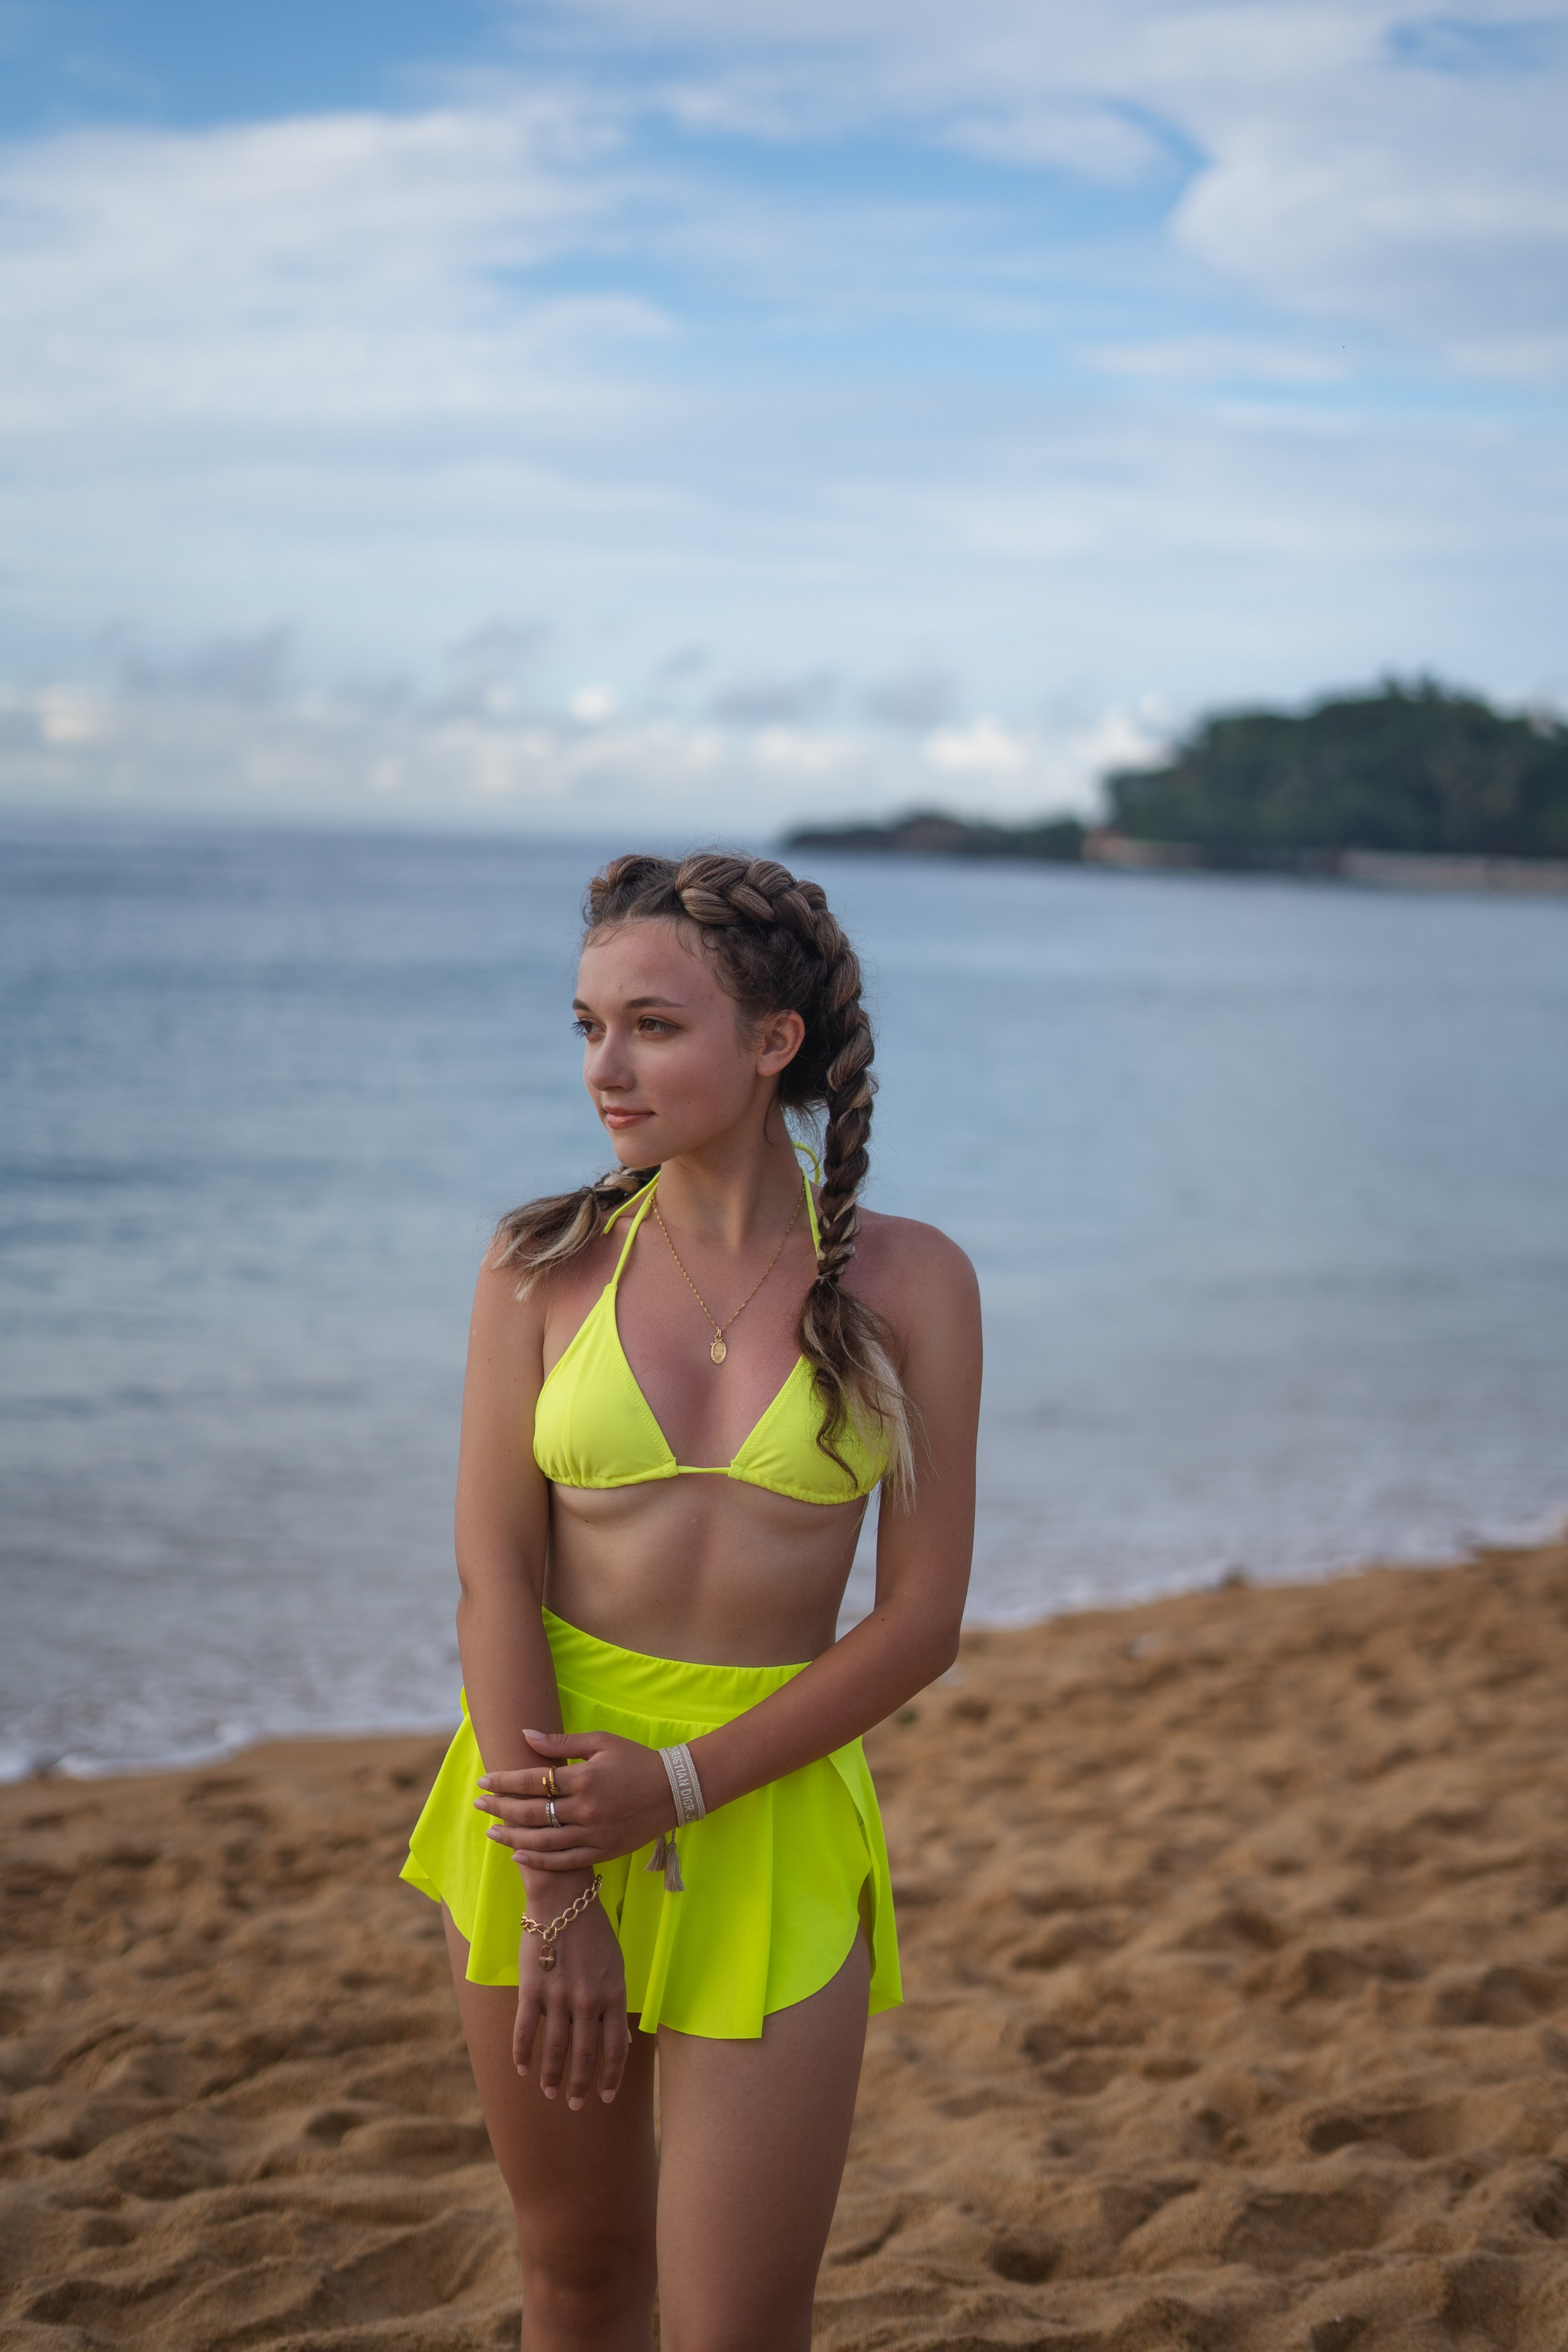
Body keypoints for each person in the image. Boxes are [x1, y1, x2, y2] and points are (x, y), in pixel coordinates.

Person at [402, 851, 981, 2352]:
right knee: (579, 2279)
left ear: (773, 1040)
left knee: (738, 2325)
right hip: (539, 1803)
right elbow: (494, 1579)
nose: (606, 1068)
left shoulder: (910, 1285)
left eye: (652, 1027)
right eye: (587, 1026)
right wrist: (558, 1885)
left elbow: (919, 1622)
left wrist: (671, 1789)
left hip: (764, 1809)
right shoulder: (540, 1265)